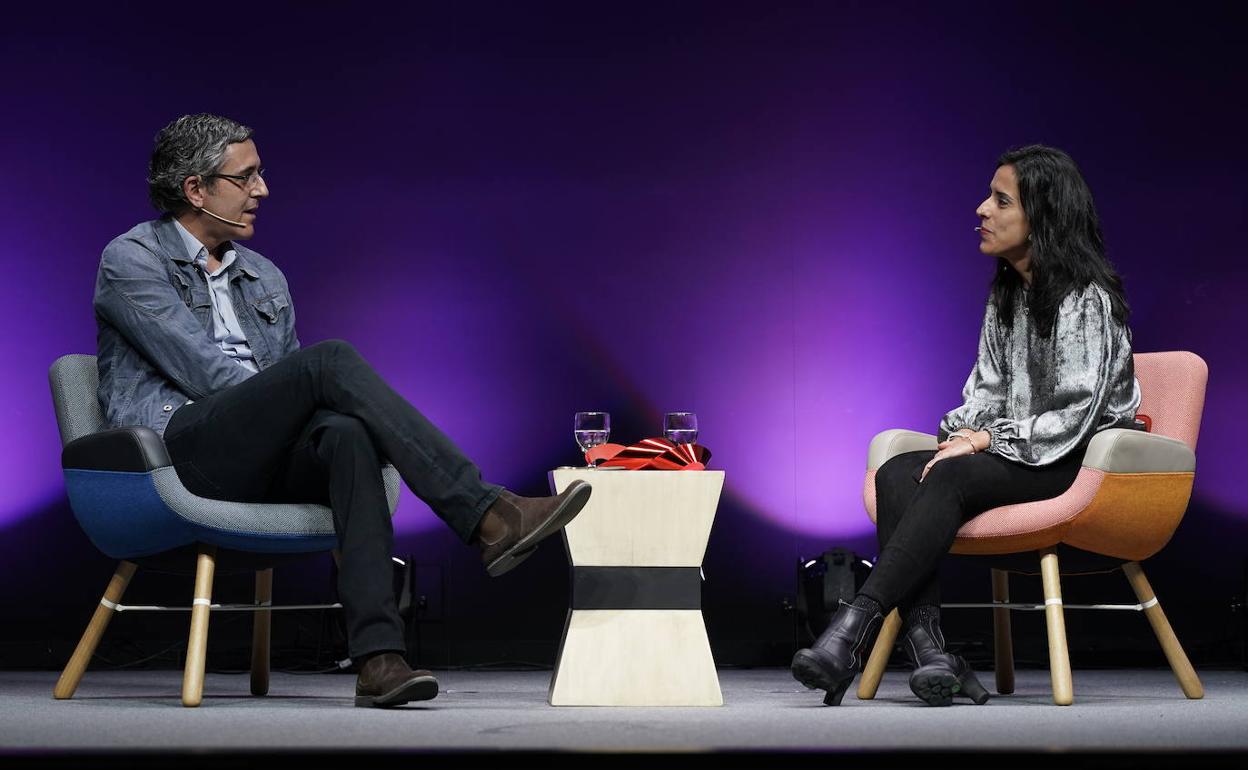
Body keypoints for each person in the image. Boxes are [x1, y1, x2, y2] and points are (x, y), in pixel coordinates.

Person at [94, 113, 592, 708]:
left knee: (348, 434)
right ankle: (484, 510)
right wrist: (295, 390)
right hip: (180, 452)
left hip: (257, 456)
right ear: (196, 189)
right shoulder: (131, 259)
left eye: (261, 174)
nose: (262, 190)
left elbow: (288, 398)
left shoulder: (262, 276)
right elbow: (209, 376)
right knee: (326, 364)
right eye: (245, 177)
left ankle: (379, 660)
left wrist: (302, 404)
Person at [791, 145, 1140, 707]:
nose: (982, 209)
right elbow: (985, 391)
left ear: (1043, 217)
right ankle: (934, 653)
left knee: (949, 477)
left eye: (1001, 200)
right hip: (1014, 458)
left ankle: (850, 630)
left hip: (1074, 461)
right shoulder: (1008, 296)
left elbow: (1074, 416)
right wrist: (961, 435)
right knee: (900, 472)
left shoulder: (1086, 300)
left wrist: (983, 440)